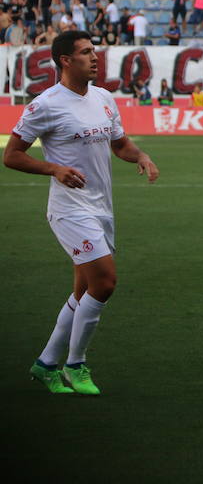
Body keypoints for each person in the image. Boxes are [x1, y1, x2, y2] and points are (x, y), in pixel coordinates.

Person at [3, 30, 159, 395]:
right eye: (86, 52)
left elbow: (119, 144)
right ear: (65, 61)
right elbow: (11, 155)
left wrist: (142, 156)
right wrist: (53, 168)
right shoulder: (46, 104)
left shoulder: (104, 98)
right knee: (104, 282)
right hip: (69, 210)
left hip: (101, 208)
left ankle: (45, 365)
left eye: (95, 51)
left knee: (83, 291)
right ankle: (76, 365)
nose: (95, 57)